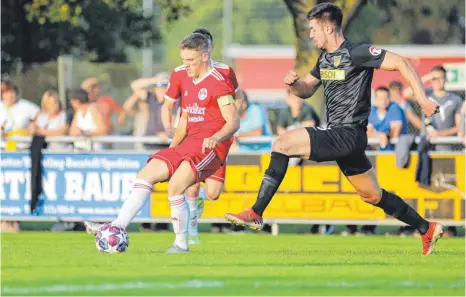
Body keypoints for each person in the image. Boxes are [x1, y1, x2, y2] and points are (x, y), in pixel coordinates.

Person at [224, 3, 442, 256]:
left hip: (348, 134)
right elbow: (307, 89)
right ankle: (426, 228)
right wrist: (295, 86)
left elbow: (402, 62)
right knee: (372, 195)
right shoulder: (325, 59)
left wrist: (423, 100)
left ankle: (255, 212)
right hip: (344, 138)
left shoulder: (358, 52)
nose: (311, 34)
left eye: (313, 29)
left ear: (328, 27)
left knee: (281, 144)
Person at [85, 33, 239, 253]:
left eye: (191, 61)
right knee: (145, 174)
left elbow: (234, 121)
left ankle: (181, 244)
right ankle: (117, 226)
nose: (185, 65)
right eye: (183, 60)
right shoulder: (184, 78)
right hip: (187, 143)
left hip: (210, 148)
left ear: (205, 56)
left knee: (177, 187)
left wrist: (217, 136)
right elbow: (185, 118)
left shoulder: (219, 83)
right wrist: (172, 148)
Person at [162, 28, 243, 244]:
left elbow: (237, 99)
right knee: (191, 184)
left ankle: (196, 208)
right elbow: (170, 106)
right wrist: (170, 129)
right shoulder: (181, 72)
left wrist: (228, 123)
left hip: (219, 138)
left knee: (214, 192)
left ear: (207, 51)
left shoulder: (224, 73)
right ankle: (191, 232)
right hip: (192, 135)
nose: (188, 63)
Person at [368, 86, 408, 151]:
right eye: (381, 98)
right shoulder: (372, 110)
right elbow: (367, 132)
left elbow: (395, 132)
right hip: (379, 147)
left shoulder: (394, 108)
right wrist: (379, 135)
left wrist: (384, 136)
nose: (384, 101)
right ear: (375, 100)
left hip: (397, 148)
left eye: (386, 98)